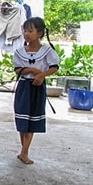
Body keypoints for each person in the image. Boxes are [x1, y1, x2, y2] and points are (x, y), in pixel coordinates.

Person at [13, 17, 59, 165]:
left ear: (39, 33)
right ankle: (23, 150)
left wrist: (41, 75)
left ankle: (25, 151)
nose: (26, 33)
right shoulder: (20, 52)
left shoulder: (47, 51)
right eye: (25, 30)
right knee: (22, 119)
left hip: (37, 88)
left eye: (30, 30)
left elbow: (54, 67)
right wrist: (32, 70)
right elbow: (18, 70)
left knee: (32, 119)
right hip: (24, 87)